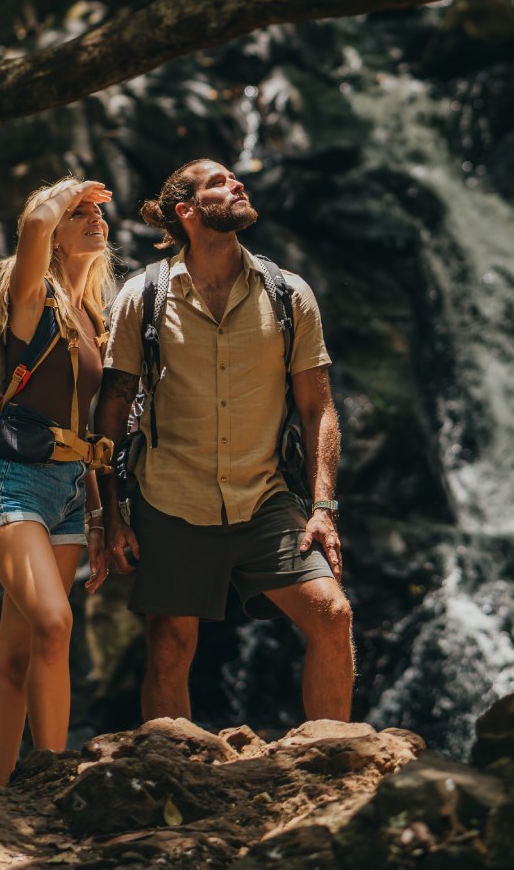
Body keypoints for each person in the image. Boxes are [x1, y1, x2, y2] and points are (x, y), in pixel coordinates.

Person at [94, 159, 352, 723]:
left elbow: (318, 408)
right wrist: (109, 516)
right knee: (168, 647)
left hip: (265, 498)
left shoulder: (288, 293)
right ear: (186, 211)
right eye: (218, 182)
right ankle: (171, 777)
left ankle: (336, 763)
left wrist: (324, 506)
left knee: (332, 615)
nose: (236, 184)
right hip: (170, 500)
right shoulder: (143, 296)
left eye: (236, 178)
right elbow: (111, 412)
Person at [0, 176, 117, 786]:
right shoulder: (30, 297)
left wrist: (99, 517)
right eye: (77, 215)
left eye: (97, 213)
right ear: (55, 233)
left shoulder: (94, 315)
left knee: (17, 656)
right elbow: (30, 229)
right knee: (55, 624)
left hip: (72, 496)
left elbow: (90, 432)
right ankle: (55, 780)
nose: (92, 219)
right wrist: (64, 191)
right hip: (14, 486)